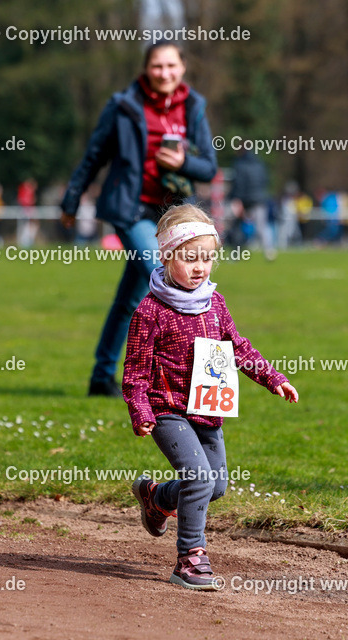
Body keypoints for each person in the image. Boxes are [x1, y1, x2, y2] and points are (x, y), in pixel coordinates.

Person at [123, 204, 299, 590]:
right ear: (167, 256)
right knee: (199, 476)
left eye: (207, 258)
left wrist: (274, 379)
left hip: (206, 408)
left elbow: (238, 348)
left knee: (214, 484)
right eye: (189, 258)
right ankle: (190, 557)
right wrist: (141, 411)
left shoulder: (214, 304)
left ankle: (156, 499)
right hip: (167, 411)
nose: (200, 267)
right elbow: (134, 373)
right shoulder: (150, 311)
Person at [60, 41, 217, 397]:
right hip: (131, 210)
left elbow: (209, 166)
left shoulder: (193, 106)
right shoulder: (123, 106)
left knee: (129, 299)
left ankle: (102, 377)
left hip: (173, 216)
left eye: (171, 66)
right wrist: (71, 200)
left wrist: (182, 164)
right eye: (157, 66)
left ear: (183, 68)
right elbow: (94, 156)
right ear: (147, 68)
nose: (165, 73)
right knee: (168, 279)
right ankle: (178, 379)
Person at [228, 148, 275, 260]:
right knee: (262, 227)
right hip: (259, 199)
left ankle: (236, 253)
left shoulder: (239, 164)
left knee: (237, 226)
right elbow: (265, 181)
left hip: (244, 199)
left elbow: (239, 183)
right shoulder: (260, 164)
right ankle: (269, 251)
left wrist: (236, 199)